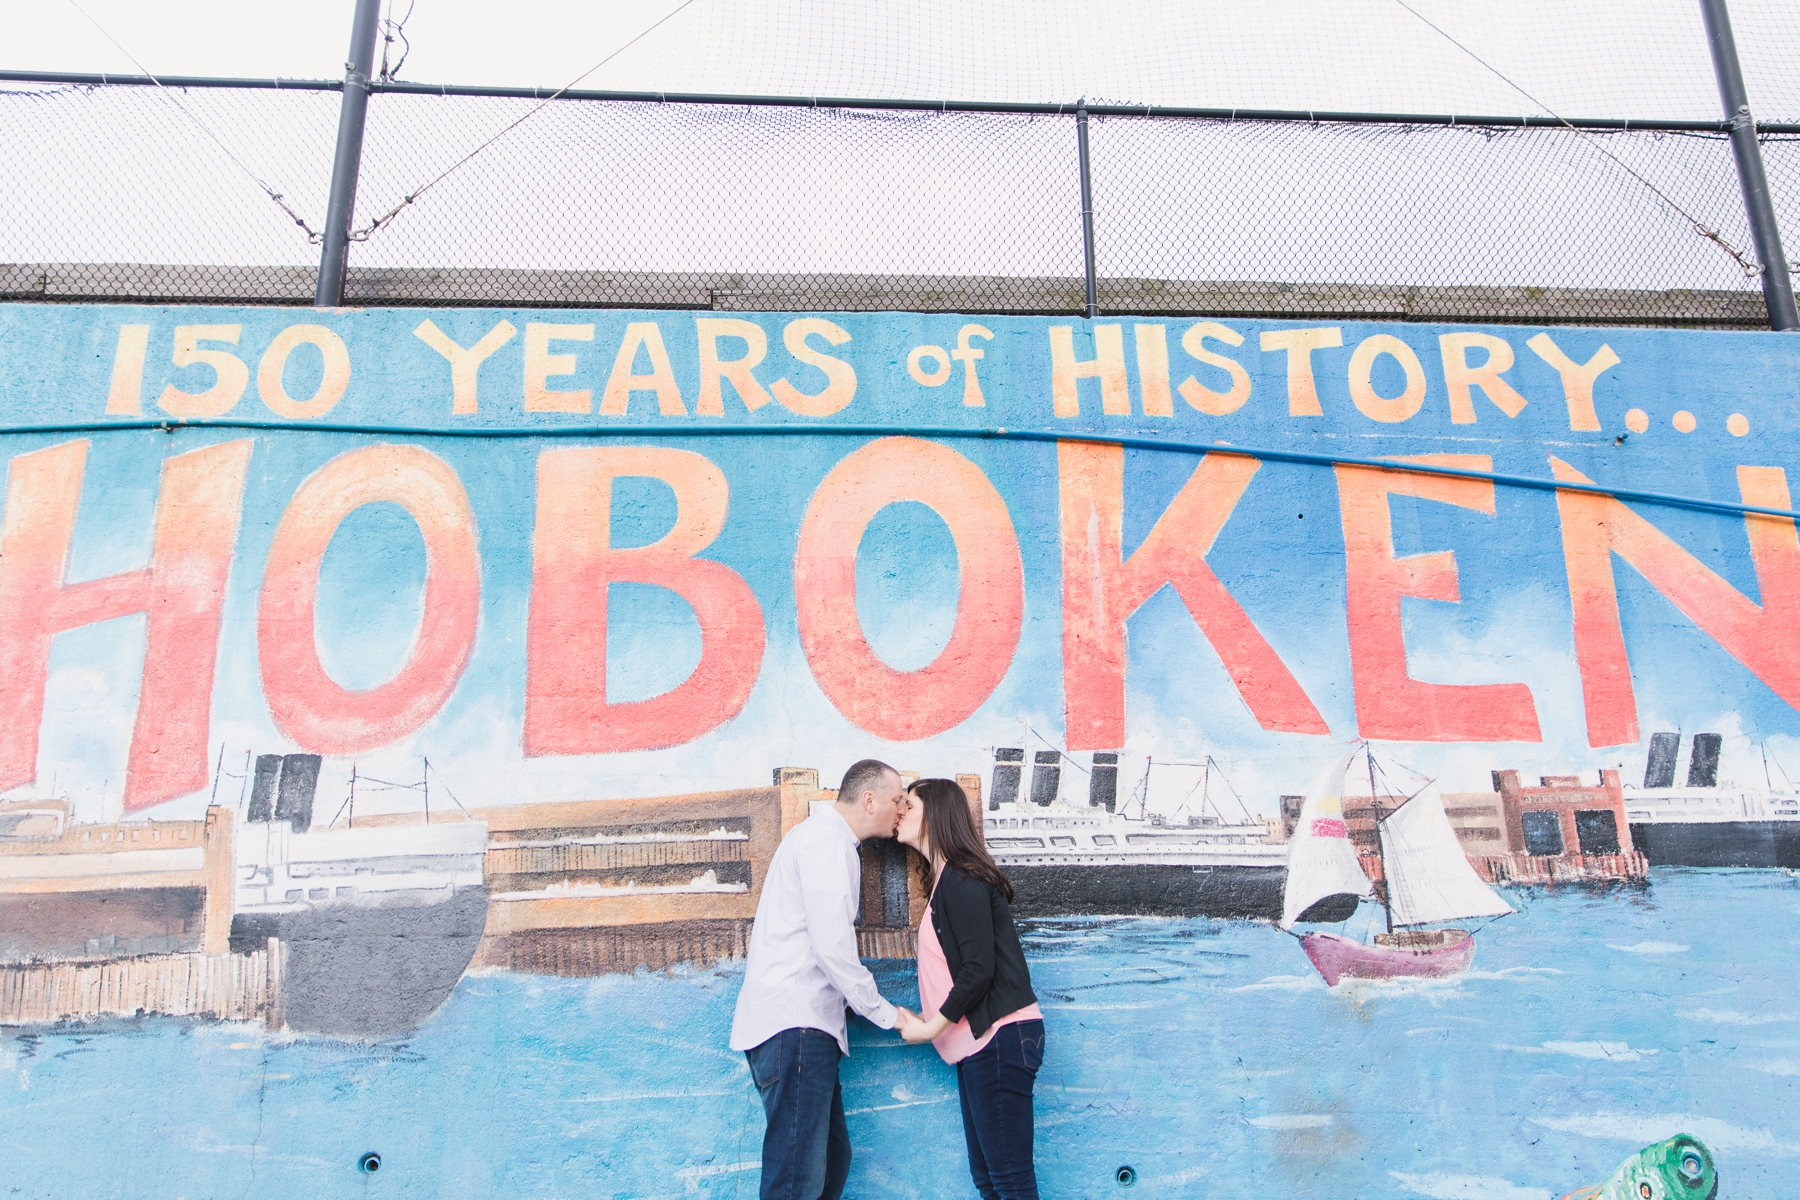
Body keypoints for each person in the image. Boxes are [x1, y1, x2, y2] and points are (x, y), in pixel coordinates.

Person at [730, 758, 923, 1200]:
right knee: (796, 1181)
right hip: (795, 1028)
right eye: (897, 800)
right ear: (868, 799)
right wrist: (889, 1015)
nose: (901, 809)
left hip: (796, 1029)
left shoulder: (825, 841)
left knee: (831, 1163)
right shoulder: (827, 843)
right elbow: (832, 947)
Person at [895, 778, 1045, 1200]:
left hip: (998, 1040)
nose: (900, 811)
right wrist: (931, 1020)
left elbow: (978, 971)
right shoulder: (948, 880)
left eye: (909, 803)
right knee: (992, 1183)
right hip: (983, 1045)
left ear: (937, 812)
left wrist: (929, 1029)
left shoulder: (961, 879)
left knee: (1009, 1183)